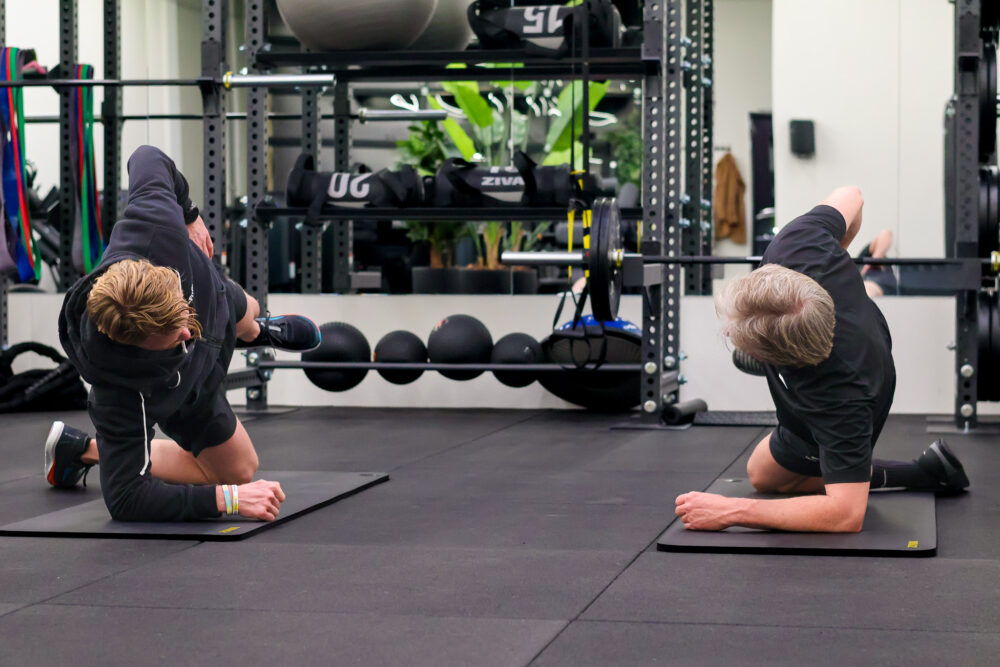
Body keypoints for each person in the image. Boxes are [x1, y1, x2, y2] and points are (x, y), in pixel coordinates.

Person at [46, 145, 321, 522]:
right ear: (137, 342)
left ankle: (256, 331)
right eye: (175, 335)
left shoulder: (154, 227)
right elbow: (126, 499)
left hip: (214, 296)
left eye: (182, 316)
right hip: (186, 390)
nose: (187, 330)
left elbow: (146, 156)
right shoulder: (119, 392)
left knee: (248, 308)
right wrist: (229, 499)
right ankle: (90, 450)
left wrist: (190, 214)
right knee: (239, 471)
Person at [675, 186, 969, 533]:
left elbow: (846, 515)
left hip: (859, 374)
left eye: (738, 337)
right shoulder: (797, 246)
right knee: (762, 475)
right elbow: (853, 194)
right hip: (840, 323)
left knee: (819, 485)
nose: (726, 333)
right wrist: (838, 252)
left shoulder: (841, 399)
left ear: (789, 360)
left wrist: (733, 511)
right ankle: (909, 470)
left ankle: (904, 474)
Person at [857, 228, 897, 297]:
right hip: (860, 288)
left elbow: (887, 234)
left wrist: (873, 261)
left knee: (867, 289)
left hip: (878, 290)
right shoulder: (860, 261)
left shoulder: (868, 256)